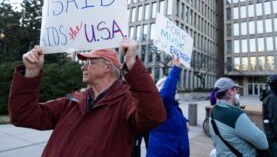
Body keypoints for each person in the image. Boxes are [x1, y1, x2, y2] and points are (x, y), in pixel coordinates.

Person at [8, 38, 167, 157]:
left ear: (108, 67)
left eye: (90, 62)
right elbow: (22, 115)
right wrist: (31, 72)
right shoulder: (72, 101)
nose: (83, 66)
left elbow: (153, 116)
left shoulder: (128, 103)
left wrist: (132, 63)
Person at [209, 77, 268, 157]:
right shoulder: (235, 115)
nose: (237, 92)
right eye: (236, 89)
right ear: (230, 91)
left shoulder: (214, 111)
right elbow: (263, 143)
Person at [146, 55, 189, 157]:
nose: (176, 91)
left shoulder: (173, 107)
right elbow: (166, 95)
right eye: (174, 89)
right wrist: (176, 70)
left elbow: (174, 116)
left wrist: (185, 120)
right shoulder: (162, 103)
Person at [260, 74, 277, 157]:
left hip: (274, 136)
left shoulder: (273, 96)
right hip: (274, 137)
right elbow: (275, 119)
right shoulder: (272, 98)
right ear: (274, 84)